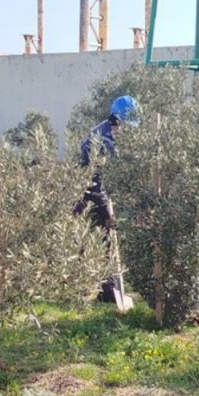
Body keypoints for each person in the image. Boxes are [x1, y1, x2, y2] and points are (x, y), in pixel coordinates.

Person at [76, 95, 138, 300]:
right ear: (118, 120)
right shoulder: (103, 141)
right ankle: (99, 291)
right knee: (94, 243)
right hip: (87, 197)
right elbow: (95, 181)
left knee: (102, 243)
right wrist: (108, 212)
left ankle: (106, 291)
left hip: (93, 193)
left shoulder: (106, 131)